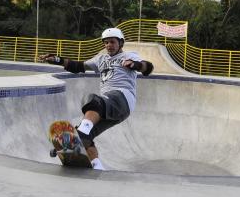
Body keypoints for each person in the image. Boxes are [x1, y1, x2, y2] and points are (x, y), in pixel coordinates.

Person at [39, 28, 154, 170]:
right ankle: (97, 167)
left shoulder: (129, 56)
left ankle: (81, 132)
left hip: (122, 98)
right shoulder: (100, 59)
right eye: (106, 43)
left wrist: (135, 65)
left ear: (121, 43)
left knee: (92, 101)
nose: (109, 45)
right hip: (110, 108)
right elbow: (78, 66)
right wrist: (57, 60)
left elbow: (148, 67)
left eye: (112, 42)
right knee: (87, 137)